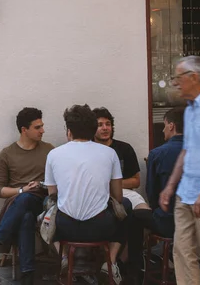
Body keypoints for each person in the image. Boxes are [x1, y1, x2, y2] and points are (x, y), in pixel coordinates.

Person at [45, 104, 129, 285]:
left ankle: (65, 257)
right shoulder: (110, 153)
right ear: (92, 130)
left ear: (69, 131)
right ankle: (111, 262)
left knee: (47, 208)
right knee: (126, 207)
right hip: (101, 227)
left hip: (65, 227)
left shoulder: (53, 154)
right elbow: (118, 196)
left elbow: (53, 196)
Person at [0, 107, 54, 285]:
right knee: (24, 215)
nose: (43, 131)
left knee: (26, 201)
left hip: (44, 201)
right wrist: (22, 190)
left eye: (42, 126)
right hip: (19, 202)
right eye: (37, 127)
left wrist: (39, 185)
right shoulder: (7, 154)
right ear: (24, 130)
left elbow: (59, 180)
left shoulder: (49, 151)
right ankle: (27, 274)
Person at [159, 56, 200, 285]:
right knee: (182, 252)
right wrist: (170, 187)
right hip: (186, 194)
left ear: (194, 77)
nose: (174, 83)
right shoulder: (190, 109)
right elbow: (186, 151)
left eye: (178, 77)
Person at [128, 107, 185, 280]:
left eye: (164, 125)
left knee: (134, 215)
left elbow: (152, 194)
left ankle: (136, 271)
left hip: (169, 223)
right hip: (199, 223)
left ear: (171, 126)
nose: (162, 129)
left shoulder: (158, 153)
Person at [93, 107, 148, 210]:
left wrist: (113, 185)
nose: (105, 128)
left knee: (143, 211)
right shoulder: (87, 149)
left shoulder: (125, 148)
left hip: (124, 192)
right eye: (100, 125)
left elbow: (136, 181)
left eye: (108, 124)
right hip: (95, 195)